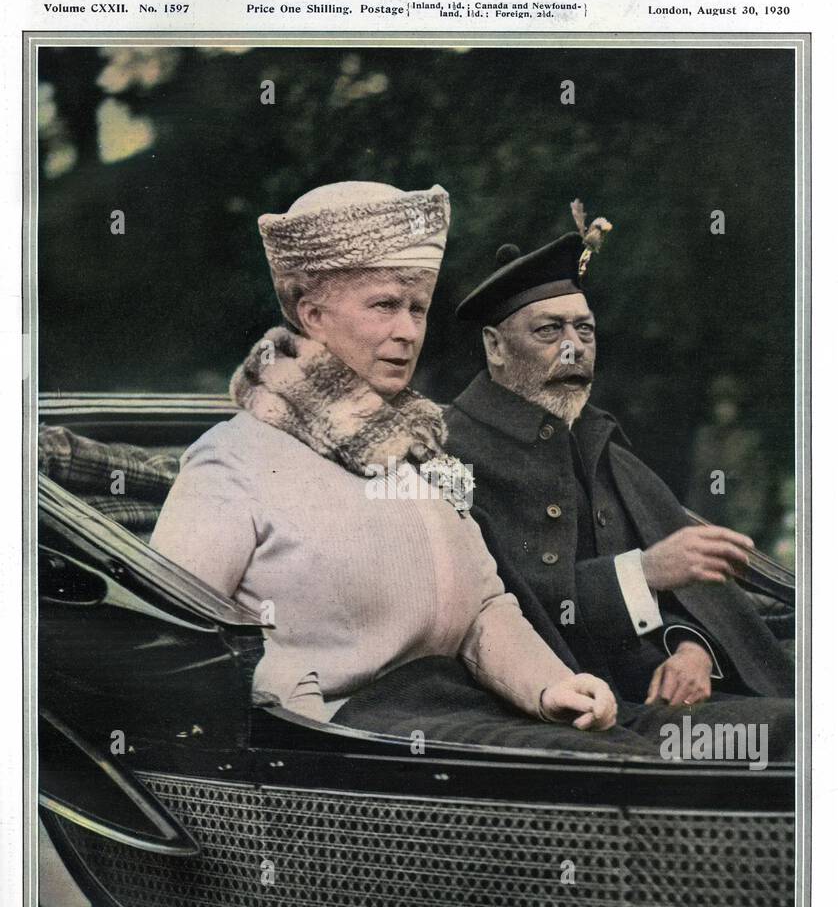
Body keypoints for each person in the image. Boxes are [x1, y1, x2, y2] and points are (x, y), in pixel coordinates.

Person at [150, 181, 636, 753]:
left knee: (696, 748)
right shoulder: (235, 461)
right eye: (384, 305)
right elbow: (172, 639)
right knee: (630, 775)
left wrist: (551, 686)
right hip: (348, 743)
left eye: (418, 309)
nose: (407, 331)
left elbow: (483, 608)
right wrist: (287, 693)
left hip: (462, 710)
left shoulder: (420, 451)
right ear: (312, 314)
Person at [444, 201, 794, 761]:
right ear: (495, 347)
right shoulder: (451, 450)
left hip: (655, 705)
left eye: (584, 329)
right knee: (795, 734)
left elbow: (691, 599)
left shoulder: (597, 441)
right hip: (556, 715)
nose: (573, 346)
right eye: (549, 330)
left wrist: (692, 649)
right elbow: (492, 608)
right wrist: (645, 572)